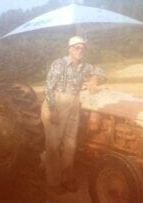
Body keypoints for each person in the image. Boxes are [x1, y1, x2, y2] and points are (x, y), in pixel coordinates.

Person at [41, 36, 105, 194]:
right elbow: (48, 88)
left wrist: (95, 79)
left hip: (74, 104)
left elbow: (101, 71)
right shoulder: (59, 64)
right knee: (53, 146)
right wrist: (53, 110)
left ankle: (67, 178)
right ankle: (54, 183)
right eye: (77, 48)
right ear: (70, 49)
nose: (80, 51)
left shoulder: (85, 67)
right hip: (56, 102)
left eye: (83, 48)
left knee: (71, 145)